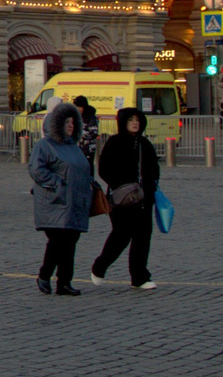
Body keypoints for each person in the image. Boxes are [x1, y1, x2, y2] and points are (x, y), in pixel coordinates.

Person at [86, 109, 161, 289]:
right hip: (121, 199)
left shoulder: (145, 144)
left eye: (137, 120)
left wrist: (149, 188)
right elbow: (104, 169)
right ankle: (100, 266)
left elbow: (154, 169)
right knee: (121, 236)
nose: (135, 123)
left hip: (143, 199)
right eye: (131, 120)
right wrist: (122, 185)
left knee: (142, 238)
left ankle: (140, 276)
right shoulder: (114, 142)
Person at [29, 99, 94, 295]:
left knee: (70, 241)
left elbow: (82, 170)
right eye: (67, 122)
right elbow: (36, 169)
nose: (71, 126)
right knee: (58, 241)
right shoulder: (45, 145)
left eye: (73, 122)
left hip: (74, 202)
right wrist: (56, 183)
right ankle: (45, 274)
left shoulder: (74, 147)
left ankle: (64, 281)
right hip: (54, 203)